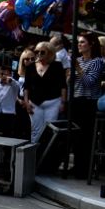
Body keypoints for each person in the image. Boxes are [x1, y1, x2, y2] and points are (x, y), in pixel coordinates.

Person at [71, 33, 104, 179]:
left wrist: (78, 69)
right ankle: (77, 166)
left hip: (89, 101)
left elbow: (89, 82)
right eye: (78, 42)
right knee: (76, 136)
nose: (79, 44)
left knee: (86, 137)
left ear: (91, 44)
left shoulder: (96, 62)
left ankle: (84, 169)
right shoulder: (78, 60)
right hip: (76, 99)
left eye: (82, 42)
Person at [23, 42, 66, 144]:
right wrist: (26, 102)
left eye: (42, 52)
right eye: (36, 52)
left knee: (50, 131)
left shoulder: (57, 66)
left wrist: (63, 102)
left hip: (53, 102)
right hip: (34, 103)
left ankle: (47, 157)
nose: (38, 54)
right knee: (35, 131)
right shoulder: (30, 67)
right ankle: (35, 156)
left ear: (50, 53)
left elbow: (63, 86)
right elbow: (26, 87)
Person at [0, 66, 20, 138]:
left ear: (10, 75)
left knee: (7, 137)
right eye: (2, 74)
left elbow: (17, 85)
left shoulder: (13, 86)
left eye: (6, 74)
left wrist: (10, 80)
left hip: (9, 114)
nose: (4, 76)